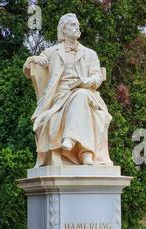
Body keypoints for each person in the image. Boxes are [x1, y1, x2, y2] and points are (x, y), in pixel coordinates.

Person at [23, 13, 113, 166]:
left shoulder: (90, 54)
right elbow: (29, 70)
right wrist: (31, 60)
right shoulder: (52, 52)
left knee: (81, 95)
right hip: (61, 97)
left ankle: (70, 139)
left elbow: (97, 77)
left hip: (87, 93)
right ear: (63, 30)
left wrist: (87, 81)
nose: (77, 27)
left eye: (78, 24)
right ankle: (85, 154)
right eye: (72, 25)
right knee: (79, 96)